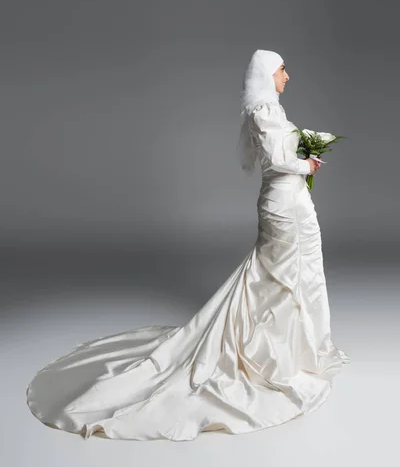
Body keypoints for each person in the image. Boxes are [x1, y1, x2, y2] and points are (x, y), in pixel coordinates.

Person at [26, 49, 350, 442]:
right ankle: (271, 356)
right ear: (267, 74)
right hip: (285, 205)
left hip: (293, 202)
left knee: (289, 272)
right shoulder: (264, 111)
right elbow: (276, 159)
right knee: (278, 273)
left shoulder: (271, 110)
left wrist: (302, 162)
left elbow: (280, 153)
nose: (288, 75)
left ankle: (293, 348)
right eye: (282, 69)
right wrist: (307, 165)